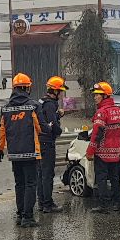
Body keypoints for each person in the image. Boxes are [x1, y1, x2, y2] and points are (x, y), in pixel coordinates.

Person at [0, 73, 43, 227]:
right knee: (30, 184)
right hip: (31, 152)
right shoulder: (33, 106)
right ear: (26, 88)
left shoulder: (5, 108)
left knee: (19, 184)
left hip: (14, 153)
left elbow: (1, 130)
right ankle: (28, 217)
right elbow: (40, 128)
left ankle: (20, 215)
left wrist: (0, 149)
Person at [86, 81, 120, 213]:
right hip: (115, 153)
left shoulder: (101, 113)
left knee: (101, 179)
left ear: (105, 96)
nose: (95, 97)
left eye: (97, 95)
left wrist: (90, 151)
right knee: (115, 178)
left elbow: (96, 135)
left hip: (102, 153)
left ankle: (103, 205)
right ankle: (117, 203)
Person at [36, 76, 68, 214]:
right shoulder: (50, 104)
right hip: (47, 142)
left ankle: (41, 203)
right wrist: (59, 131)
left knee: (41, 174)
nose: (61, 95)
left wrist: (58, 115)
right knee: (47, 174)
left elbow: (46, 119)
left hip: (39, 141)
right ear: (55, 91)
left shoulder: (42, 101)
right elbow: (52, 123)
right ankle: (48, 204)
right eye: (60, 92)